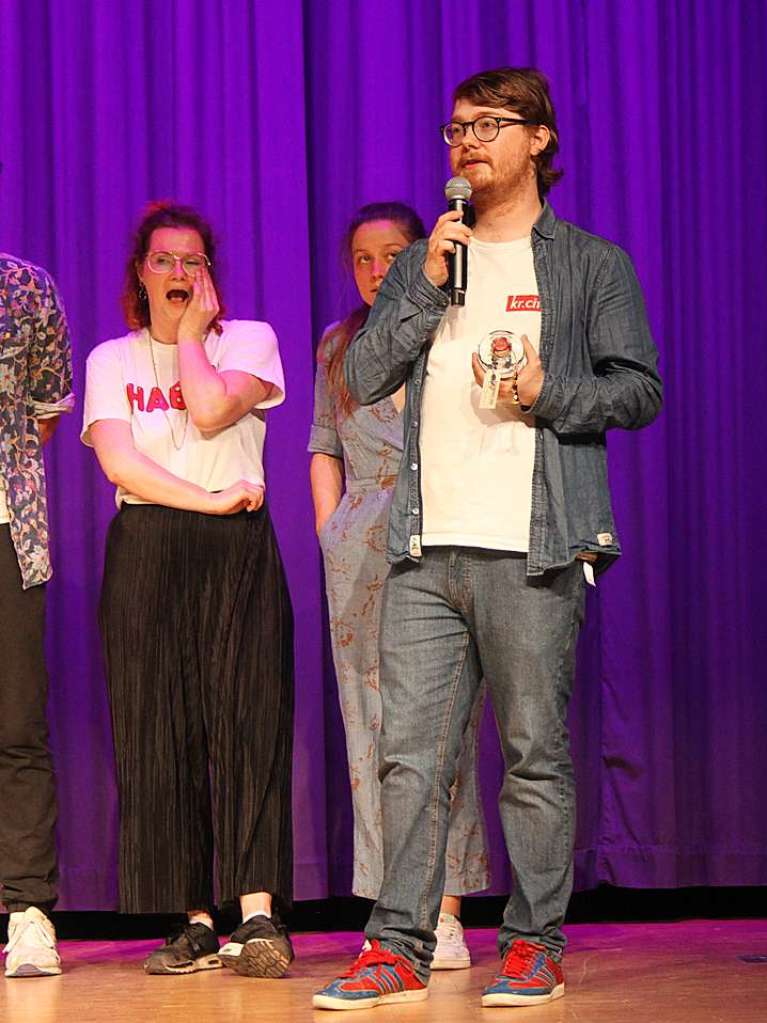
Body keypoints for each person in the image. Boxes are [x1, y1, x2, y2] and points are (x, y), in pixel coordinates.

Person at [314, 66, 662, 1011]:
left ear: (538, 139)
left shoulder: (590, 264)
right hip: (425, 549)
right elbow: (367, 372)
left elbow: (638, 390)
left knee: (533, 754)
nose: (464, 141)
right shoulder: (431, 257)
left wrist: (552, 392)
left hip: (534, 542)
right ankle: (395, 948)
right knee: (410, 760)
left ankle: (532, 944)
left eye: (488, 125)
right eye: (455, 127)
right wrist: (422, 283)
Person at [82, 202, 294, 978]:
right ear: (140, 271)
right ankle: (195, 919)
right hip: (152, 542)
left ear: (210, 274)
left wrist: (190, 341)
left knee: (248, 720)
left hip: (237, 548)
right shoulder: (112, 359)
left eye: (193, 261)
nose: (178, 273)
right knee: (159, 730)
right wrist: (207, 500)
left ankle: (259, 914)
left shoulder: (248, 341)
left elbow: (207, 408)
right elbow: (119, 463)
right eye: (164, 260)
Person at [309, 202, 489, 969]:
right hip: (357, 541)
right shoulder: (338, 344)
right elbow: (322, 443)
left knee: (443, 721)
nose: (376, 270)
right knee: (370, 729)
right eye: (361, 258)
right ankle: (393, 906)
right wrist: (331, 526)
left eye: (391, 254)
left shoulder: (454, 323)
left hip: (436, 527)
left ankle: (444, 908)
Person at [0, 252, 74, 977]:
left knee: (17, 723)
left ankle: (27, 910)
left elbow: (48, 407)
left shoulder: (24, 288)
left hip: (6, 531)